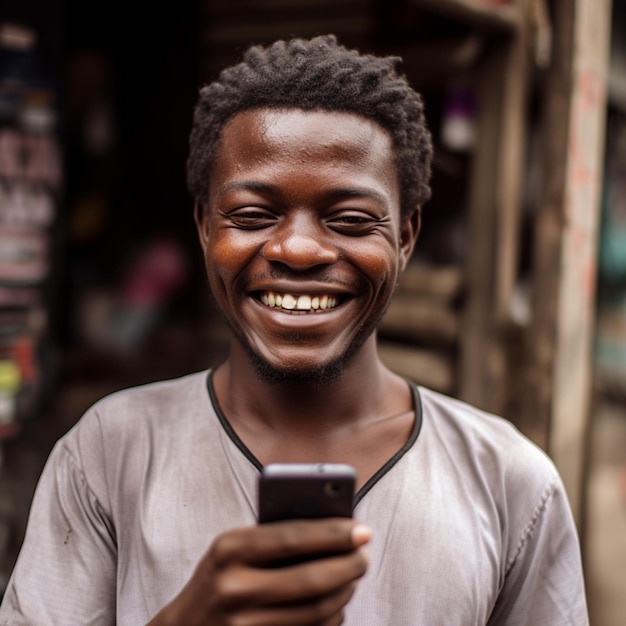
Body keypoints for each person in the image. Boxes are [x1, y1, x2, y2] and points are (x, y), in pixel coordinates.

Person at [0, 34, 588, 625]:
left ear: (406, 237)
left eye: (351, 219)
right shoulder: (108, 453)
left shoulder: (508, 482)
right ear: (206, 227)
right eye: (254, 215)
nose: (299, 250)